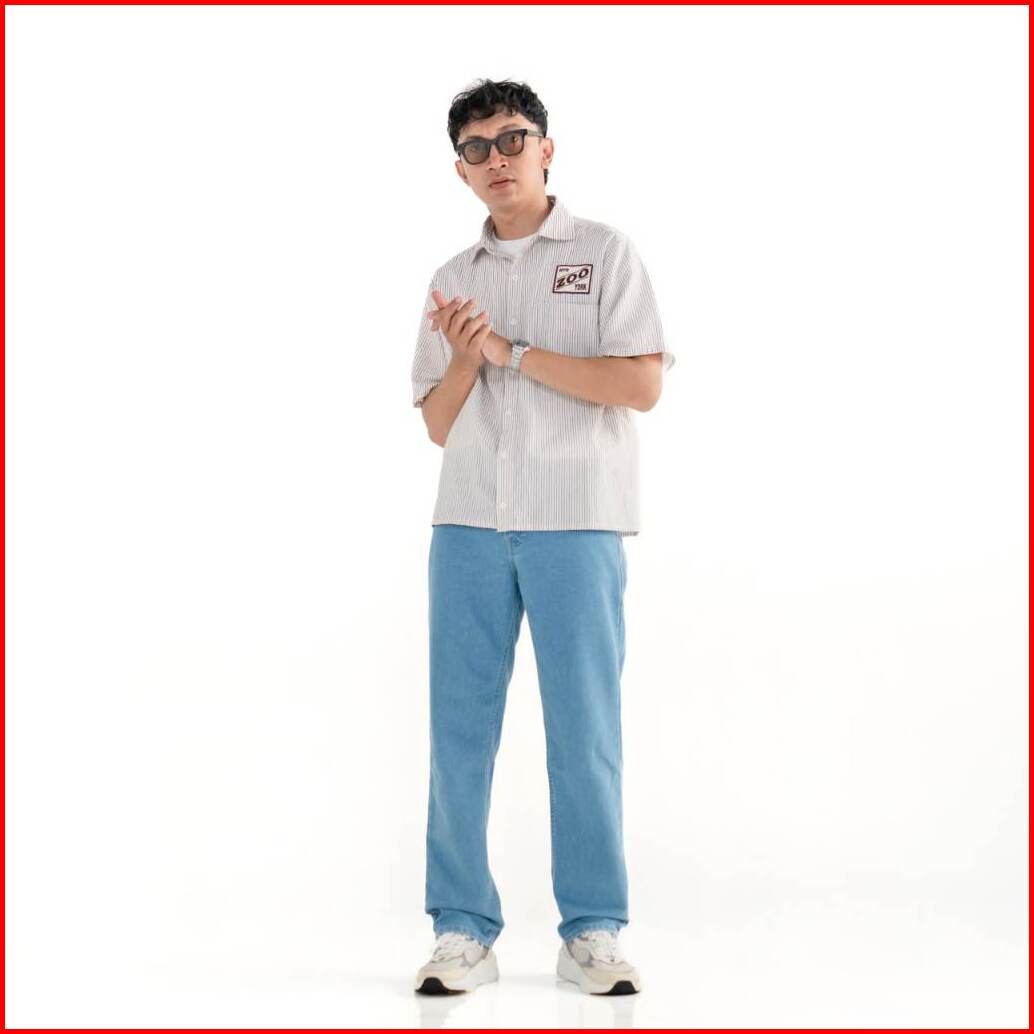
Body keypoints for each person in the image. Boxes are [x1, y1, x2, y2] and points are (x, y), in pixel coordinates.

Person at [409, 78, 675, 997]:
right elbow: (439, 424)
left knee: (584, 732)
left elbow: (640, 385)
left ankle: (592, 930)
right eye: (476, 148)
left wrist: (513, 353)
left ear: (547, 148)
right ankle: (460, 930)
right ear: (460, 169)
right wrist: (464, 358)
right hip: (469, 524)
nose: (497, 159)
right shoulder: (452, 279)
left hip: (577, 520)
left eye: (513, 139)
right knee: (458, 733)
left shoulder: (604, 254)